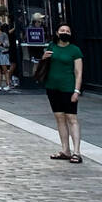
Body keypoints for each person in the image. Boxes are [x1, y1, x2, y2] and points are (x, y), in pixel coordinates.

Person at [41, 24, 84, 163]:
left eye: (67, 31)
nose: (65, 33)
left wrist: (76, 90)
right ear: (57, 33)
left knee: (72, 118)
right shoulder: (51, 46)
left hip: (68, 88)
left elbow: (78, 72)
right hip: (52, 87)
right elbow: (44, 65)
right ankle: (65, 150)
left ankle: (76, 152)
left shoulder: (75, 50)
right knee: (59, 117)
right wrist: (44, 57)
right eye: (62, 30)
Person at [0, 24, 13, 90]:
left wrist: (0, 43)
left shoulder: (4, 34)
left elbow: (7, 44)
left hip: (2, 52)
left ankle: (8, 84)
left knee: (5, 69)